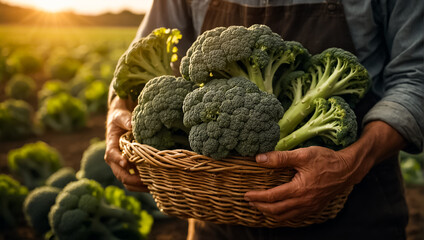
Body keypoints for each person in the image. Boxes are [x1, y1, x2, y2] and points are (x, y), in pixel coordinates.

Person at [105, 0, 424, 239]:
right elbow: (134, 63)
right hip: (215, 220)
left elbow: (416, 75)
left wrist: (355, 160)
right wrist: (116, 117)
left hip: (352, 207)